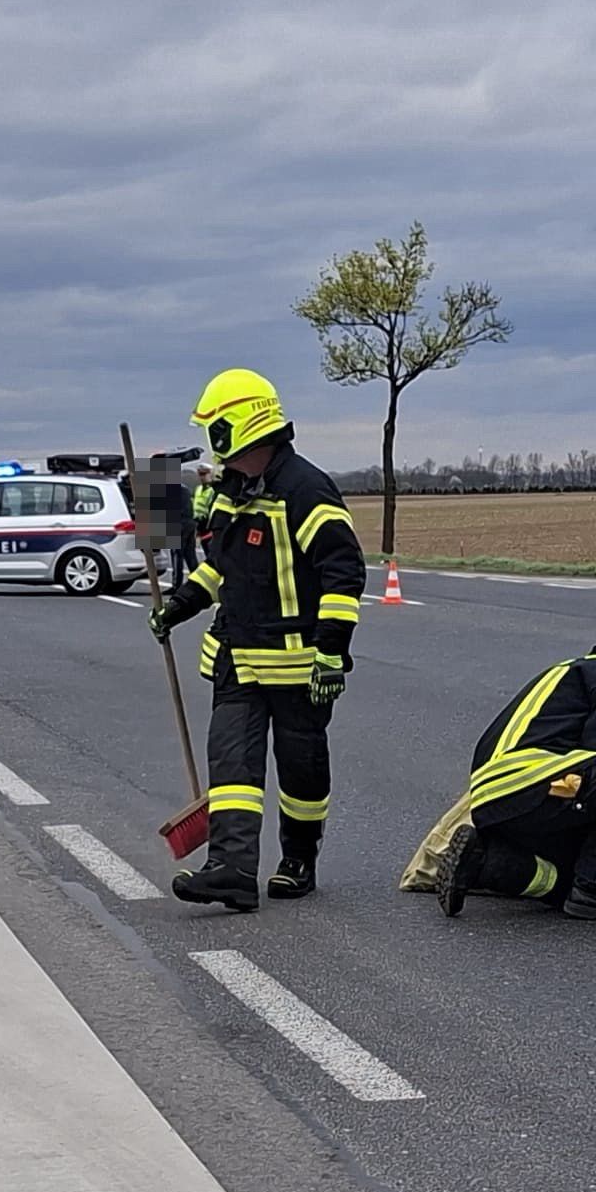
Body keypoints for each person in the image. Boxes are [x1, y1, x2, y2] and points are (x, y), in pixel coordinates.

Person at [152, 368, 365, 909]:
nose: (212, 441)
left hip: (298, 668)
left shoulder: (304, 489)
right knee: (232, 767)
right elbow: (222, 567)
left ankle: (299, 859)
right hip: (236, 659)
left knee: (301, 772)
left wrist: (331, 653)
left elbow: (343, 572)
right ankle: (231, 869)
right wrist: (181, 605)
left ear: (242, 424)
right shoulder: (231, 491)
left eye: (216, 428)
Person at [431, 630, 596, 921]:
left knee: (577, 875)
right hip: (541, 780)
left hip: (495, 800)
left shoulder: (576, 671)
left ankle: (483, 861)